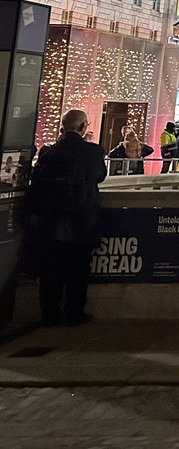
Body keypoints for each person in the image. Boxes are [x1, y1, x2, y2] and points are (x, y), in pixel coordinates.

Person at [25, 110, 106, 326]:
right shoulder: (92, 152)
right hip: (81, 221)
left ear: (62, 128)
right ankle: (74, 314)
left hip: (50, 222)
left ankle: (49, 315)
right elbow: (99, 176)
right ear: (83, 128)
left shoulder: (48, 153)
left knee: (51, 272)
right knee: (78, 271)